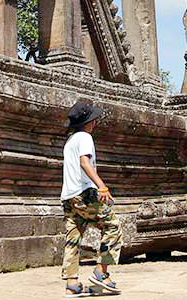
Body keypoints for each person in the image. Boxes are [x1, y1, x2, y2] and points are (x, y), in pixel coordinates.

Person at [61, 100, 122, 297]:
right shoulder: (84, 137)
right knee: (113, 226)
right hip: (84, 193)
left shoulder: (70, 141)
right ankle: (101, 272)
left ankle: (72, 283)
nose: (95, 122)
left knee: (73, 238)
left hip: (68, 196)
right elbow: (84, 163)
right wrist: (101, 186)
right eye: (94, 119)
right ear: (89, 121)